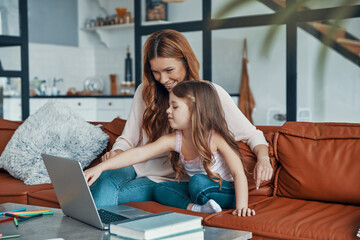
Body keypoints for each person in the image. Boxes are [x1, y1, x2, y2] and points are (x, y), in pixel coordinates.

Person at [89, 29, 272, 207]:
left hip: (170, 181)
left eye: (169, 70)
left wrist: (263, 159)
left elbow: (252, 135)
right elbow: (129, 140)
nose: (163, 79)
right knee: (103, 180)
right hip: (135, 165)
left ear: (186, 62)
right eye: (156, 72)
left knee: (106, 196)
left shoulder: (209, 95)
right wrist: (118, 152)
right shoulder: (145, 92)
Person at [85, 80, 255, 216]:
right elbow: (138, 154)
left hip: (224, 192)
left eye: (174, 106)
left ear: (195, 111)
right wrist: (101, 166)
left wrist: (242, 207)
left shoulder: (214, 138)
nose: (167, 111)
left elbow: (238, 173)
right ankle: (197, 209)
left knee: (197, 182)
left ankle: (202, 202)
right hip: (196, 192)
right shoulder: (175, 139)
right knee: (160, 189)